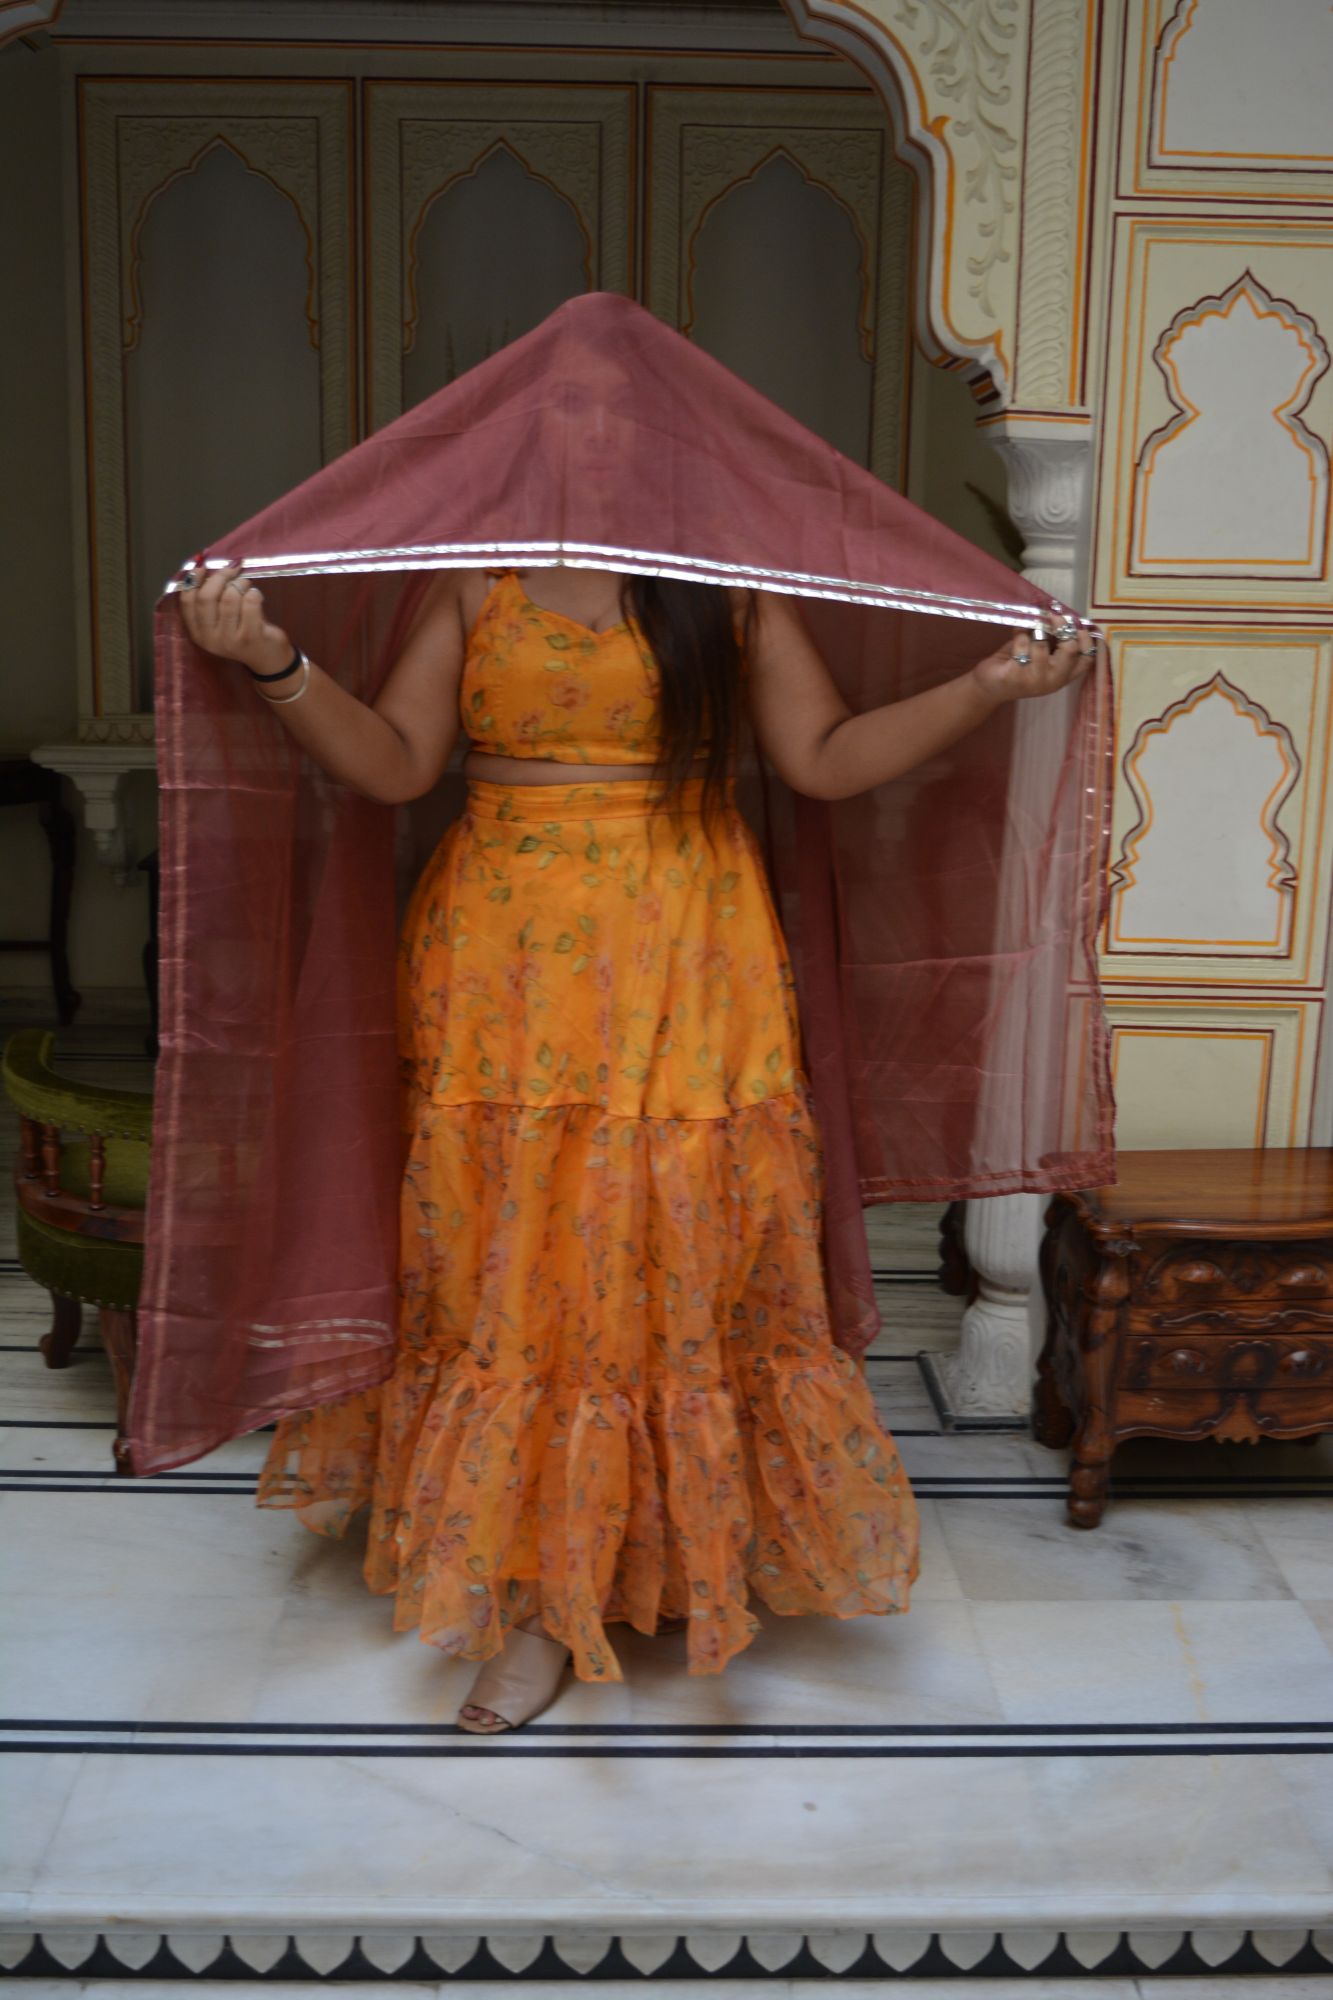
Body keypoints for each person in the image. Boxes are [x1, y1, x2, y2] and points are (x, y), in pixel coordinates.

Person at [177, 546, 1096, 1735]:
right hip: (503, 951)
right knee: (513, 1250)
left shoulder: (723, 585)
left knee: (666, 1238)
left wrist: (988, 687)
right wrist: (269, 657)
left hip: (686, 940)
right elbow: (397, 766)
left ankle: (637, 1556)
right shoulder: (477, 584)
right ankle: (536, 1595)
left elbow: (820, 759)